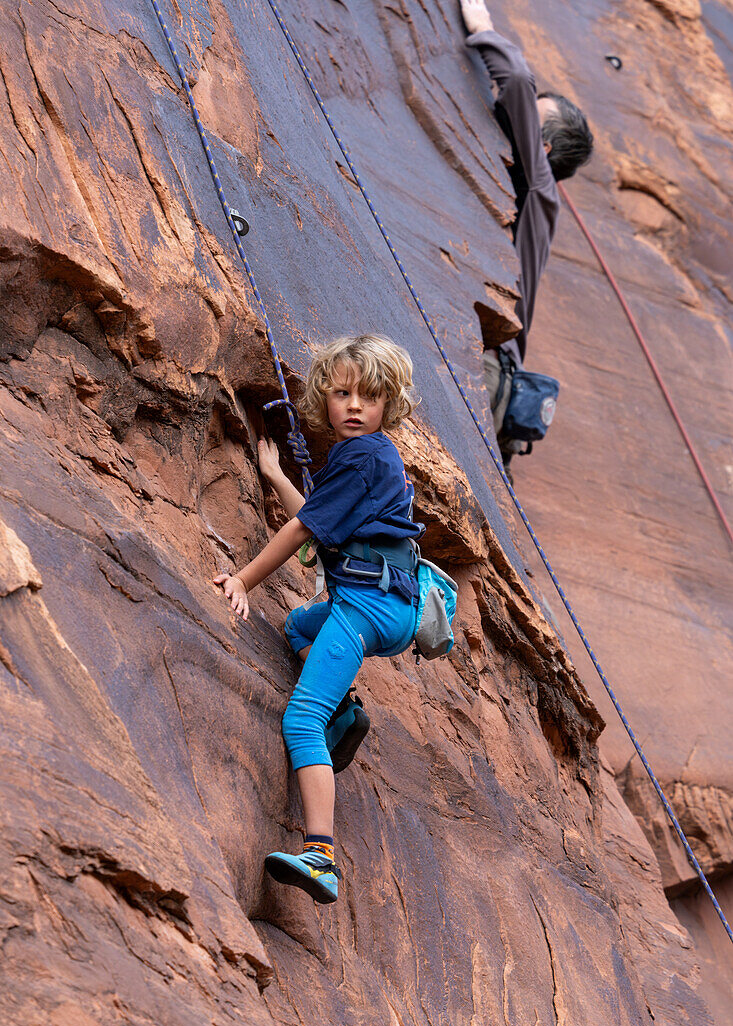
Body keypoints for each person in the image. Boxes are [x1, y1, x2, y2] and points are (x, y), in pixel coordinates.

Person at [214, 335, 423, 904]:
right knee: (300, 628)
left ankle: (322, 856)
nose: (354, 406)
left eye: (370, 396)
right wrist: (276, 475)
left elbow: (305, 534)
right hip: (388, 603)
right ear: (325, 400)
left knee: (301, 720)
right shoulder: (375, 458)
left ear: (389, 406)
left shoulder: (361, 455)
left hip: (366, 608)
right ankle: (343, 705)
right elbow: (319, 518)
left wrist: (241, 580)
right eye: (342, 393)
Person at [459, 0, 593, 471]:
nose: (503, 107)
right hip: (493, 369)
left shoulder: (539, 190)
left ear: (544, 147)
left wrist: (483, 27)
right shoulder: (529, 195)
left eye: (525, 115)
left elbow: (515, 79)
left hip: (485, 365)